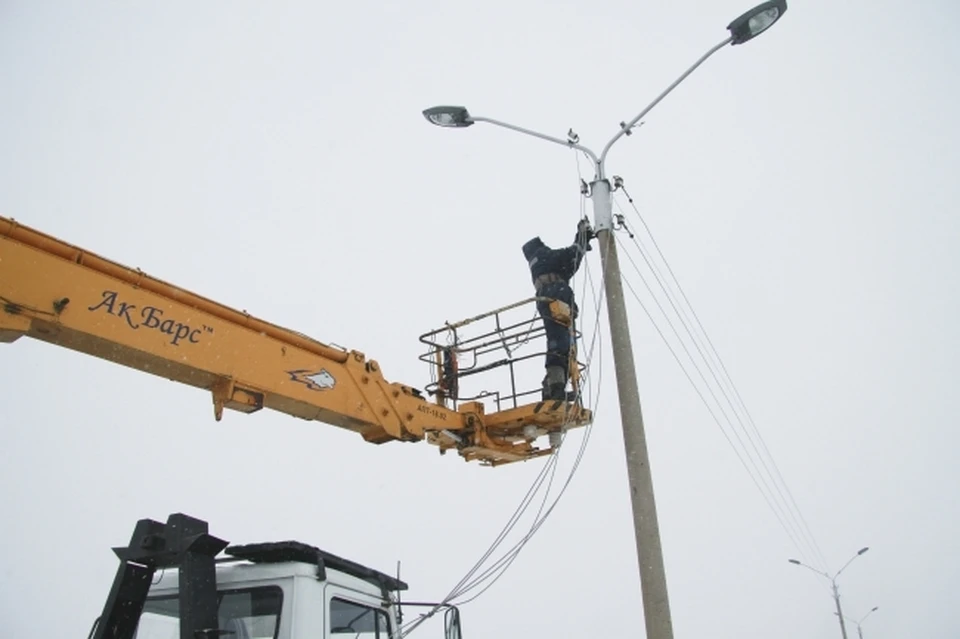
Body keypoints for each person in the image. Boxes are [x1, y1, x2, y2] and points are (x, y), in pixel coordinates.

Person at [521, 218, 595, 401]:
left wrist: (580, 243)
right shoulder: (544, 256)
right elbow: (570, 259)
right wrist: (581, 239)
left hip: (547, 296)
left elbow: (568, 261)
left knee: (560, 342)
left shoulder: (537, 262)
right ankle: (554, 389)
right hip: (556, 294)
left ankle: (553, 387)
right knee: (563, 343)